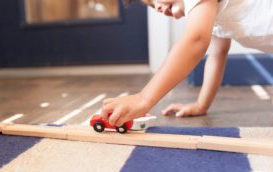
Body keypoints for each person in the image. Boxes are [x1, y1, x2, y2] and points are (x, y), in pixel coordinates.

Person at [101, 0, 273, 127]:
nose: (158, 8)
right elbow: (216, 53)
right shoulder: (211, 13)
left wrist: (143, 98)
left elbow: (196, 40)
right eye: (153, 7)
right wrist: (201, 104)